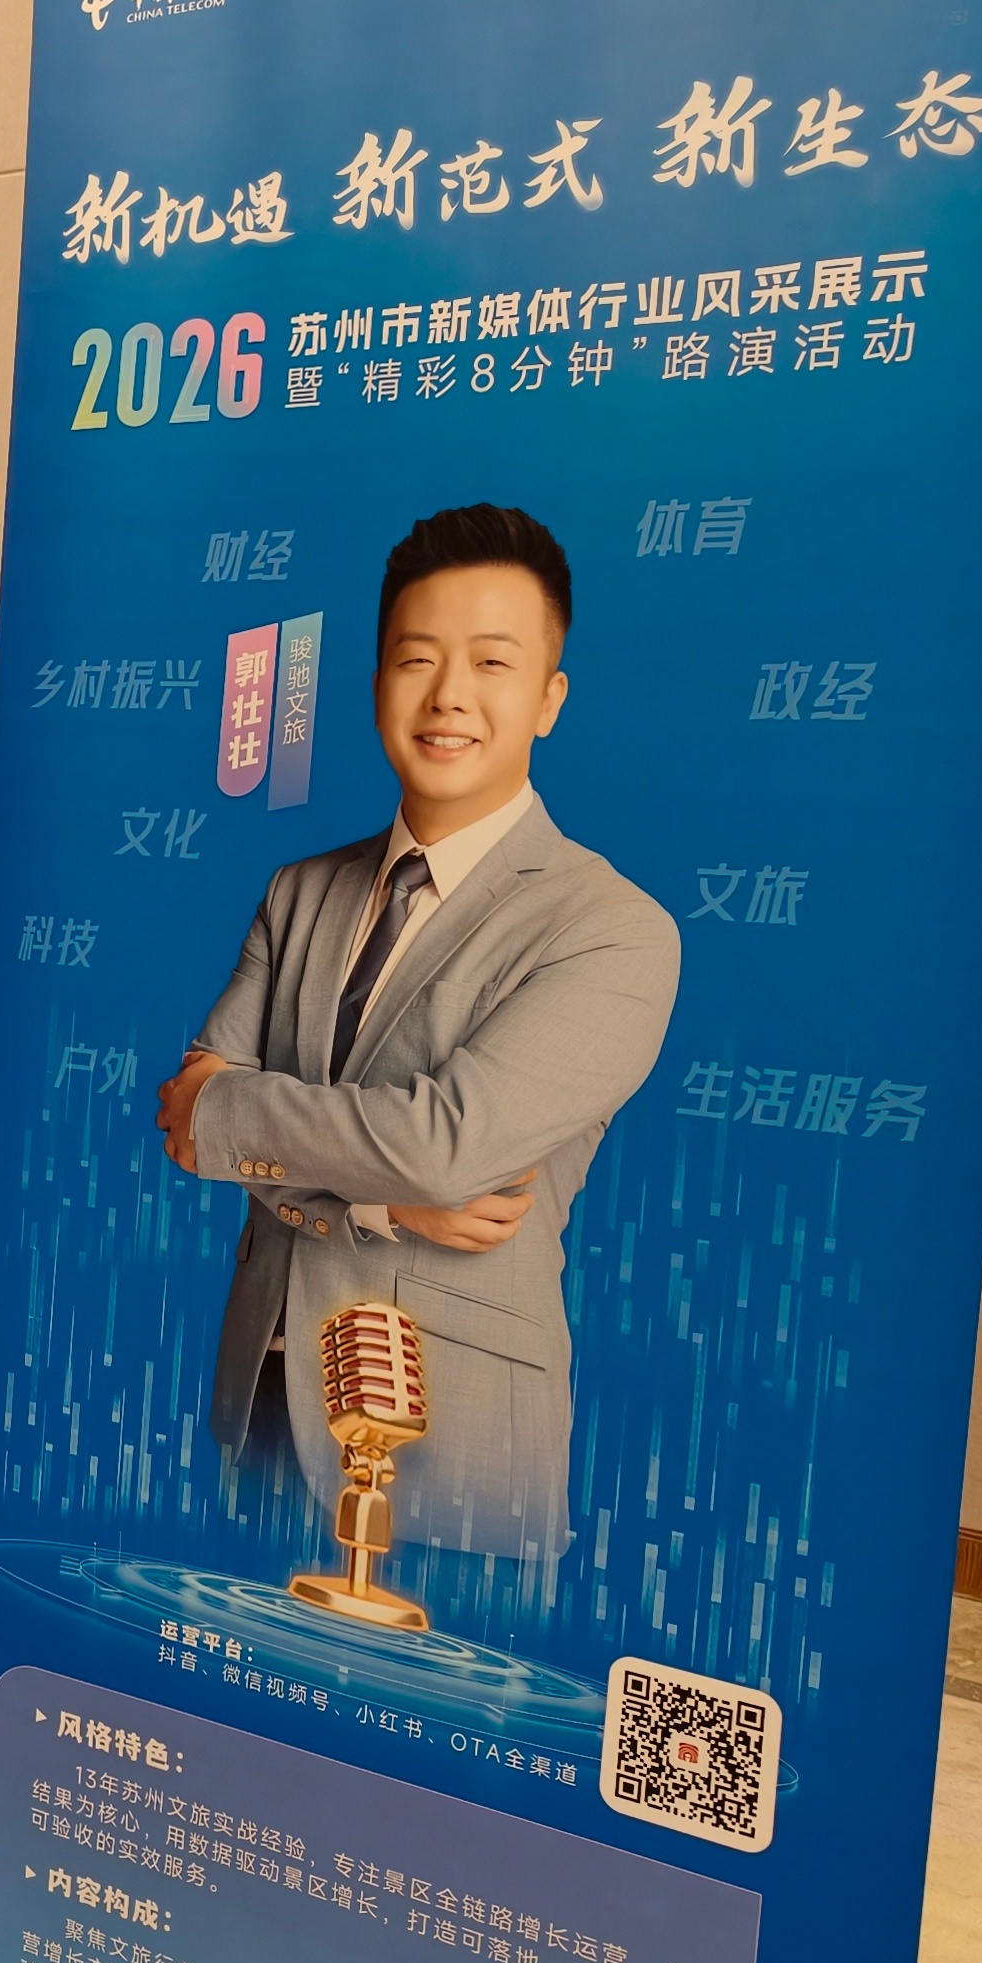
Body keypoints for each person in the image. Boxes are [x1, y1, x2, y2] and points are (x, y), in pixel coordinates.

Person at [157, 503, 681, 1557]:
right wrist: (387, 1203)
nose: (448, 695)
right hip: (257, 1400)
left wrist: (252, 1125)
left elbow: (445, 1148)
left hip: (448, 1442)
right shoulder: (300, 891)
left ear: (549, 698)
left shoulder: (612, 930)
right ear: (375, 687)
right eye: (417, 659)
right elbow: (188, 1119)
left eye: (491, 662)